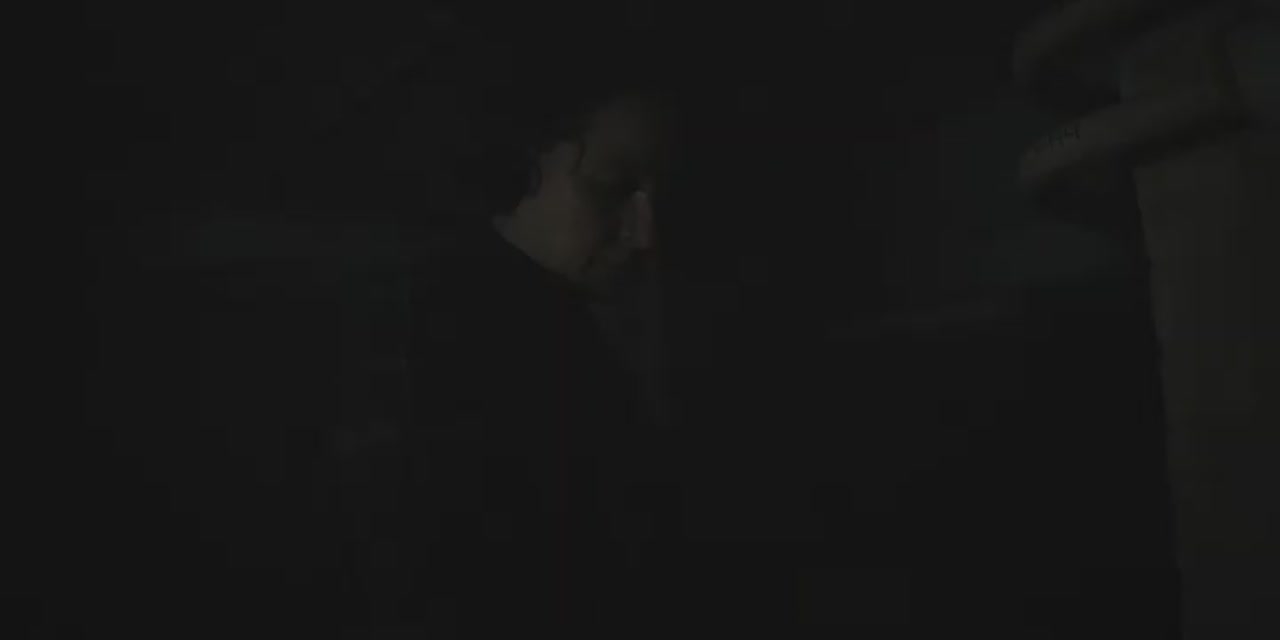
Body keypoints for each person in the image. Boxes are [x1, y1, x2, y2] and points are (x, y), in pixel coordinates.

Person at [336, 56, 687, 638]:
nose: (643, 232)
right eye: (611, 189)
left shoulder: (570, 325)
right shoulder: (462, 351)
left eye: (656, 197)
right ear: (518, 163)